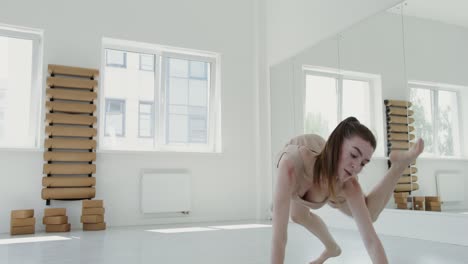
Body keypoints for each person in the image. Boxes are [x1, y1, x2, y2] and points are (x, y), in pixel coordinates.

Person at [271, 116, 424, 264]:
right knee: (297, 215)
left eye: (363, 163)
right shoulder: (291, 168)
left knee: (369, 213)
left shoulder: (348, 185)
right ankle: (332, 248)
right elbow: (279, 238)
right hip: (307, 157)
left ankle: (398, 166)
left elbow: (371, 241)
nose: (356, 167)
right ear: (336, 145)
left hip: (326, 169)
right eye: (353, 155)